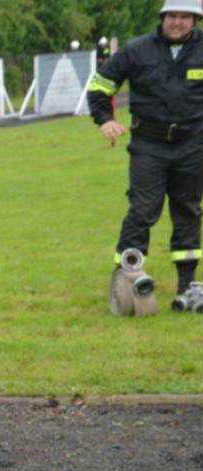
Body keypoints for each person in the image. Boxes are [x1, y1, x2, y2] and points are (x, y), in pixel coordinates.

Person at [88, 0, 203, 301]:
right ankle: (127, 276)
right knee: (142, 210)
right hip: (149, 146)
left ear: (195, 20)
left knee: (188, 211)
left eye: (185, 17)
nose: (177, 22)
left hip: (192, 146)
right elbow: (100, 84)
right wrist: (105, 119)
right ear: (162, 17)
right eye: (172, 16)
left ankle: (188, 284)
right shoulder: (138, 49)